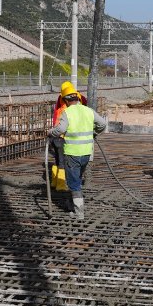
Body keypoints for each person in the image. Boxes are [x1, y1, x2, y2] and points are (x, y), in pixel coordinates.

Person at [48, 85, 106, 219]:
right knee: (76, 179)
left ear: (66, 101)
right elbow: (102, 123)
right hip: (86, 153)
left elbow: (60, 129)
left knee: (74, 183)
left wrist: (50, 132)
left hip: (72, 153)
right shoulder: (88, 110)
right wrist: (94, 133)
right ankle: (72, 203)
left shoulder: (67, 113)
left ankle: (79, 212)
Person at [49, 81, 88, 191]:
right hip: (62, 136)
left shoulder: (61, 100)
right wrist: (77, 94)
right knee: (62, 161)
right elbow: (84, 101)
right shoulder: (69, 105)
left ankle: (55, 181)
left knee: (57, 159)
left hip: (55, 135)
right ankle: (61, 185)